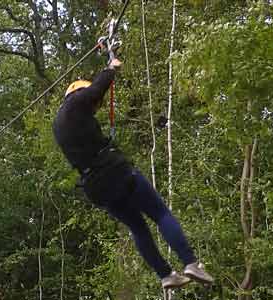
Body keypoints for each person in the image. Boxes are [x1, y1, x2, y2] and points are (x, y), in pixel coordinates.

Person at [52, 57, 214, 289]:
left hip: (96, 187)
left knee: (137, 228)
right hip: (114, 171)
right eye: (94, 103)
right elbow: (96, 89)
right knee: (159, 213)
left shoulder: (59, 124)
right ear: (77, 92)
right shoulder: (75, 102)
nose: (96, 106)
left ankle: (166, 274)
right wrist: (111, 68)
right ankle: (190, 262)